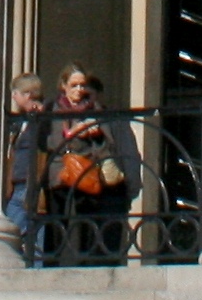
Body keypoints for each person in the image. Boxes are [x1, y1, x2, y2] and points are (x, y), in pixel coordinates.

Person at [40, 69, 139, 266]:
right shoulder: (52, 109)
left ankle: (86, 262)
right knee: (57, 223)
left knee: (89, 224)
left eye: (82, 86)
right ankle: (51, 263)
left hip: (88, 174)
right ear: (64, 86)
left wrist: (94, 135)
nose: (80, 90)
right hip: (59, 174)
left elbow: (113, 148)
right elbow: (46, 141)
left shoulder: (98, 112)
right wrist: (73, 137)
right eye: (74, 85)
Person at [0, 75, 52, 261]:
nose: (13, 97)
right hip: (19, 182)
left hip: (29, 182)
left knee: (14, 229)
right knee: (31, 231)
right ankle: (34, 266)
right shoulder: (22, 121)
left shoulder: (41, 118)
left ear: (28, 94)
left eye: (16, 93)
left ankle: (33, 266)